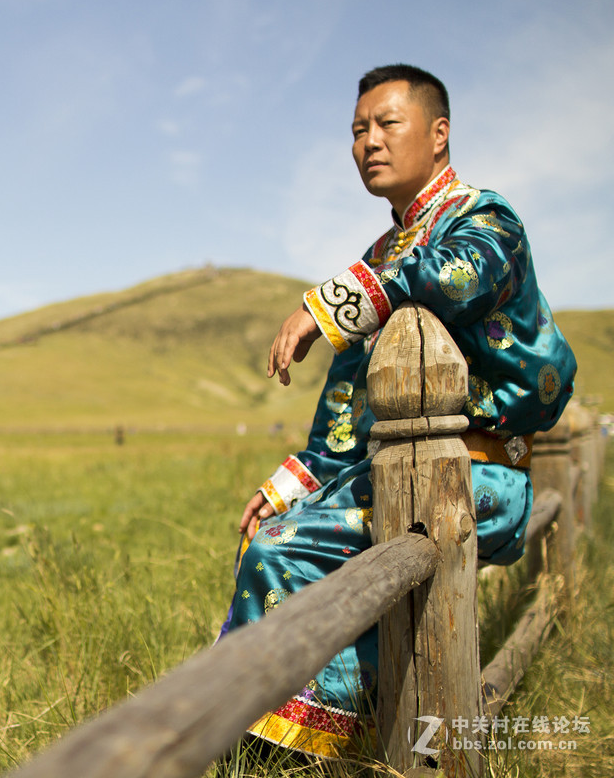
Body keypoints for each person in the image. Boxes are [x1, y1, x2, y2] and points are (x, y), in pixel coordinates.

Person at [217, 64, 577, 759]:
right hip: (395, 475)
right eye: (357, 131)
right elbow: (348, 415)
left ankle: (304, 751)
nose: (368, 143)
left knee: (279, 551)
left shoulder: (485, 220)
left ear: (438, 134)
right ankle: (322, 739)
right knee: (265, 531)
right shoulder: (380, 257)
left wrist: (327, 307)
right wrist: (288, 484)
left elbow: (453, 281)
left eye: (387, 123)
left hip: (480, 475)